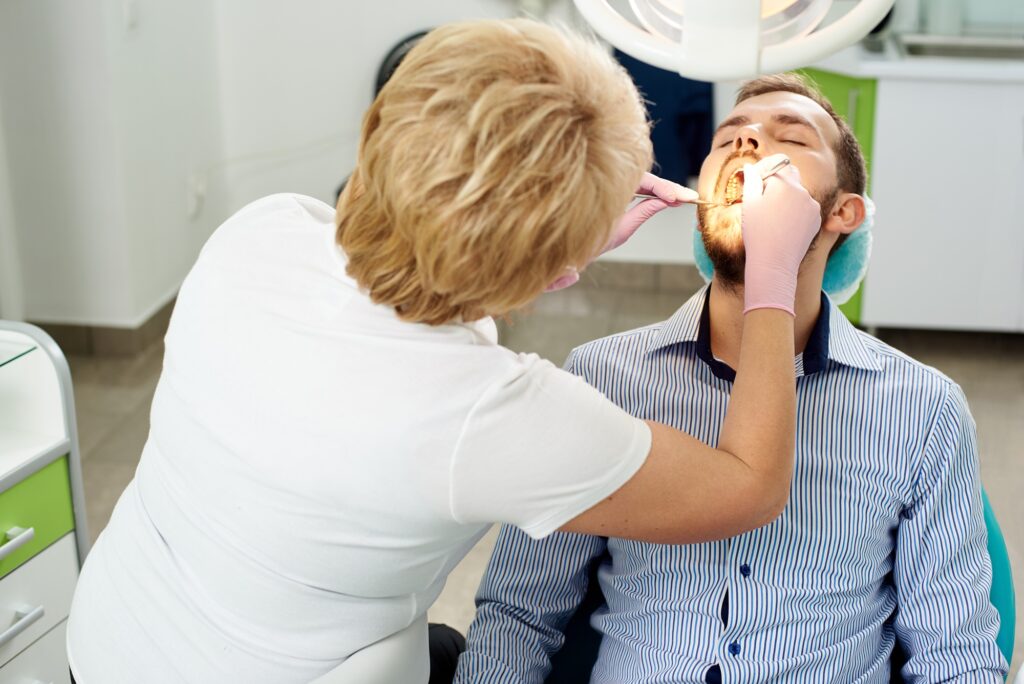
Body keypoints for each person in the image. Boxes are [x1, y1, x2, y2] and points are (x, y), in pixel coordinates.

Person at [65, 21, 822, 684]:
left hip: (107, 638)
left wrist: (555, 249)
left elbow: (406, 285)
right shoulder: (492, 416)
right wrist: (772, 277)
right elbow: (748, 490)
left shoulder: (260, 232)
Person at [454, 73, 1009, 684]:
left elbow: (956, 655)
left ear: (843, 212)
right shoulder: (602, 378)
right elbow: (518, 617)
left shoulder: (923, 409)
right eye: (728, 139)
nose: (747, 144)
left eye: (790, 138)